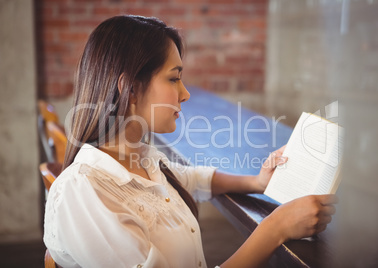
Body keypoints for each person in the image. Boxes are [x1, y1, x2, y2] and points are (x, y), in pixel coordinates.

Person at [43, 15, 338, 268]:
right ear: (130, 89)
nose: (185, 94)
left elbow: (191, 178)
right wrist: (275, 228)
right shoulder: (84, 192)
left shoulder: (141, 159)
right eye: (174, 79)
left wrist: (258, 183)